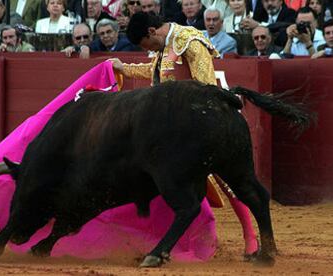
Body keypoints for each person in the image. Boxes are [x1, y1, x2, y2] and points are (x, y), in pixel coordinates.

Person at [109, 11, 259, 259]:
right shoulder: (164, 45)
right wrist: (124, 68)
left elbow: (207, 85)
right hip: (174, 129)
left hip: (202, 124)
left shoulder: (190, 40)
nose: (149, 49)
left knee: (229, 182)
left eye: (147, 45)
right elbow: (155, 71)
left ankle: (251, 237)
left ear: (151, 31)